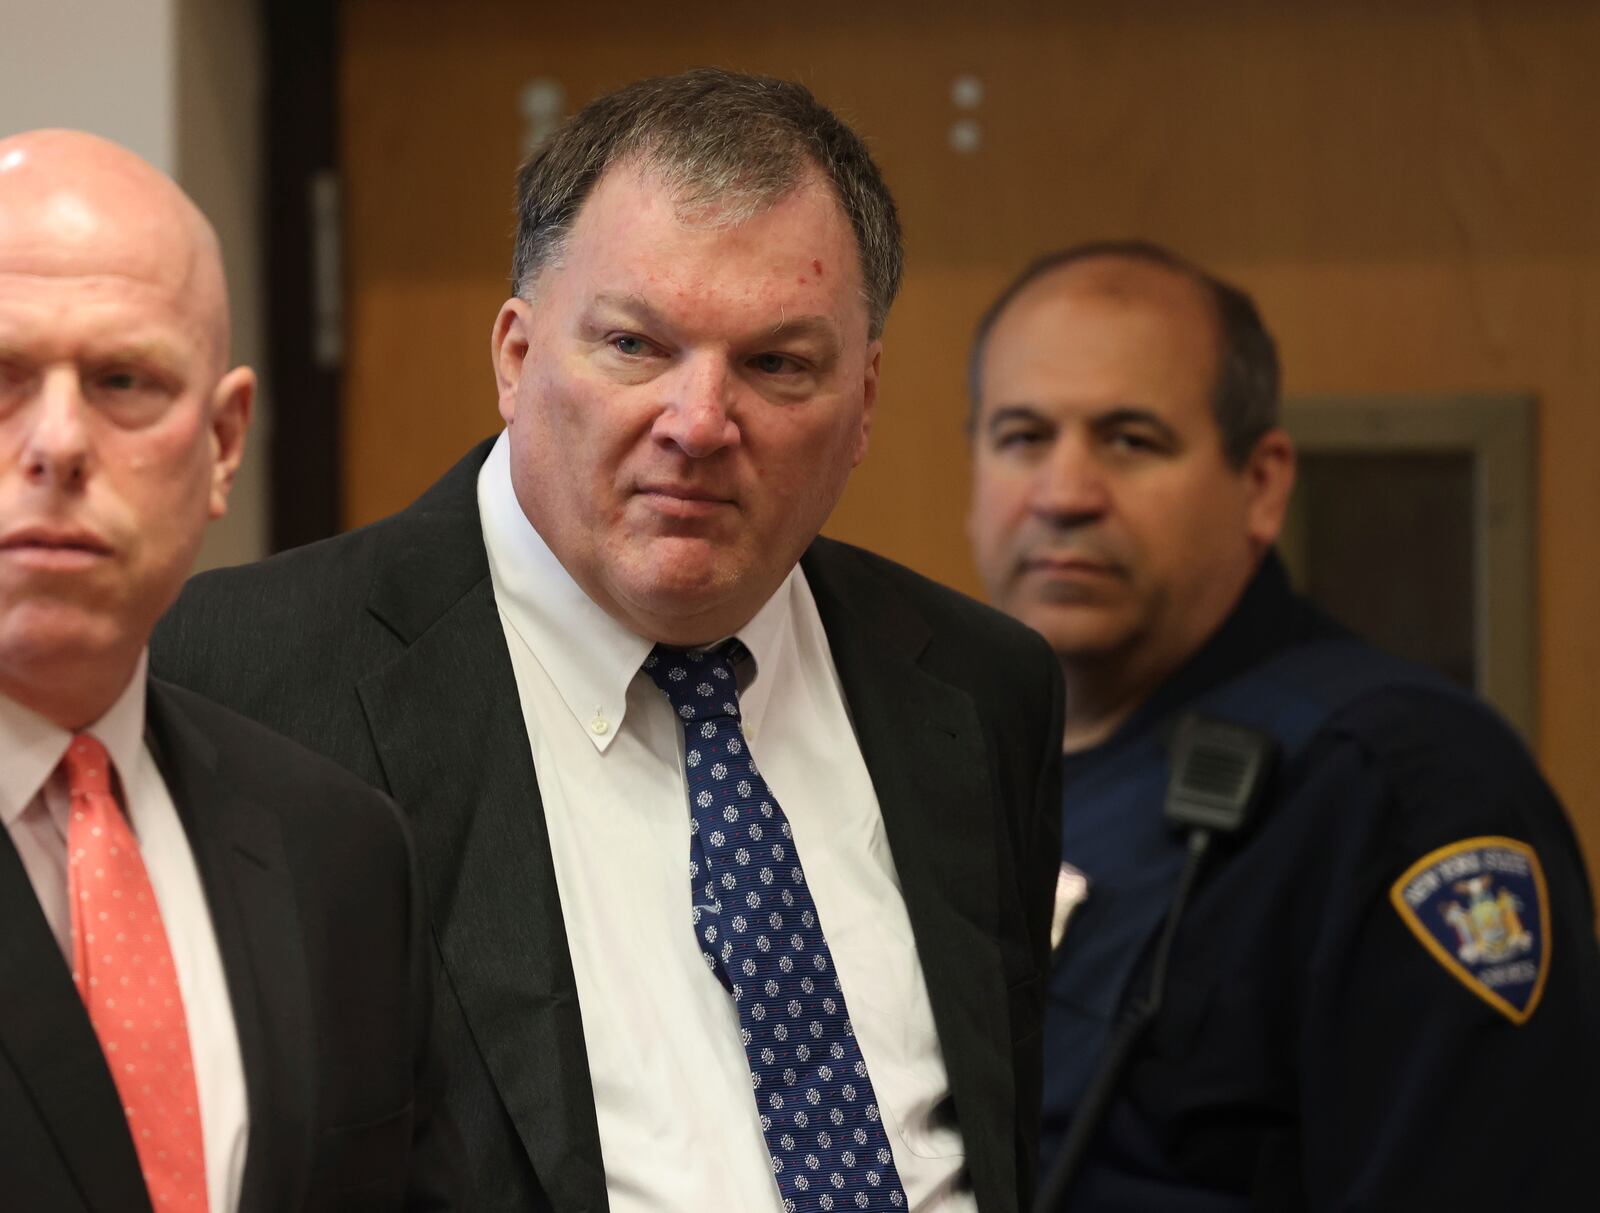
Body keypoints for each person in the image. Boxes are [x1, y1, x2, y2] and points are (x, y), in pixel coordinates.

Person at [153, 69, 1062, 1213]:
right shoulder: (230, 679)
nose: (697, 423)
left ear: (865, 399)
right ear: (516, 355)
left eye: (778, 364)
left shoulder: (980, 687)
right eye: (635, 344)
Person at [965, 240, 1600, 1210]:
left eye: (1130, 439)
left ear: (1259, 484)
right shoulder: (951, 764)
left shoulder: (1398, 786)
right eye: (1021, 437)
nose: (1062, 493)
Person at [0, 129, 460, 1211]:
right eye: (1, 377)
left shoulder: (337, 851)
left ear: (221, 444)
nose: (57, 442)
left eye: (123, 381)